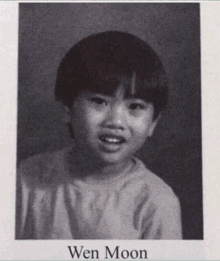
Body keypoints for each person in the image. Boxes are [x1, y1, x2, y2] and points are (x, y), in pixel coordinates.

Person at [16, 31, 182, 239]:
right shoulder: (27, 179)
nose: (115, 121)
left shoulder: (157, 202)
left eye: (135, 106)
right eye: (99, 101)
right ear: (68, 108)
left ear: (153, 124)